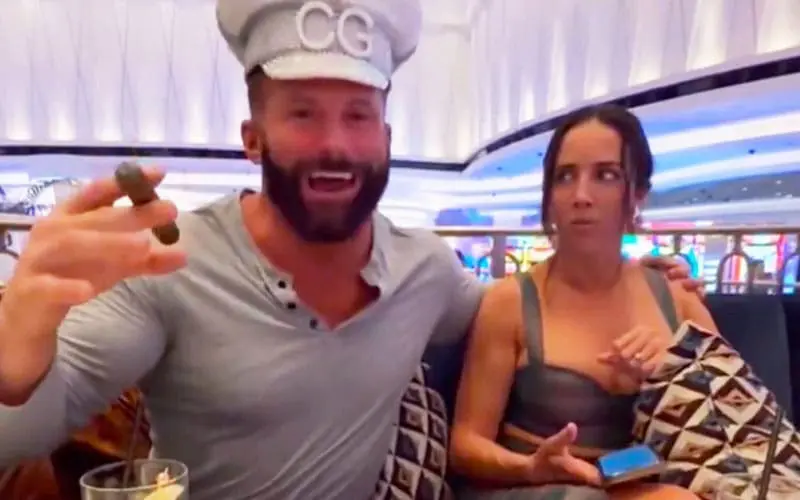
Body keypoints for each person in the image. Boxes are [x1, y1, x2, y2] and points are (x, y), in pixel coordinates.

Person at [0, 2, 700, 499]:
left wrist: (631, 278)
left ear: (386, 139)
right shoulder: (170, 266)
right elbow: (24, 432)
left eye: (358, 115)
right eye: (303, 113)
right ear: (252, 139)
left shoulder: (426, 272)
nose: (335, 145)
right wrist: (12, 363)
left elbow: (530, 304)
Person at [449, 105, 718, 500]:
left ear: (638, 194)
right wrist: (531, 467)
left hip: (638, 487)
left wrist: (672, 371)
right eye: (565, 176)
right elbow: (465, 445)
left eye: (606, 175)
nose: (581, 196)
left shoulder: (677, 298)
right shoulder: (510, 300)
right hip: (528, 489)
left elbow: (733, 424)